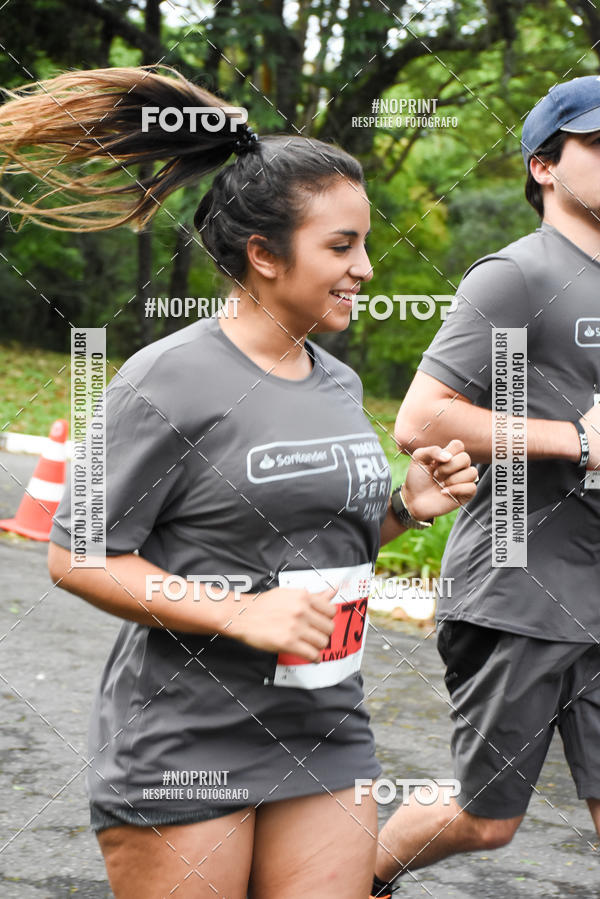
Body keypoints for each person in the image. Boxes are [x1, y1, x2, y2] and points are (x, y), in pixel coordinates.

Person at [0, 65, 478, 897]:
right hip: (187, 738)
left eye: (364, 241)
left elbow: (299, 542)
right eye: (341, 246)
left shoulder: (335, 379)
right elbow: (79, 556)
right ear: (262, 253)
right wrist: (241, 612)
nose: (366, 266)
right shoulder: (168, 379)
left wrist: (402, 509)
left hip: (324, 725)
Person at [370, 75, 600, 898]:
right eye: (598, 146)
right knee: (484, 817)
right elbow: (421, 421)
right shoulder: (516, 276)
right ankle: (335, 877)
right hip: (521, 589)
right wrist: (575, 441)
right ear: (544, 165)